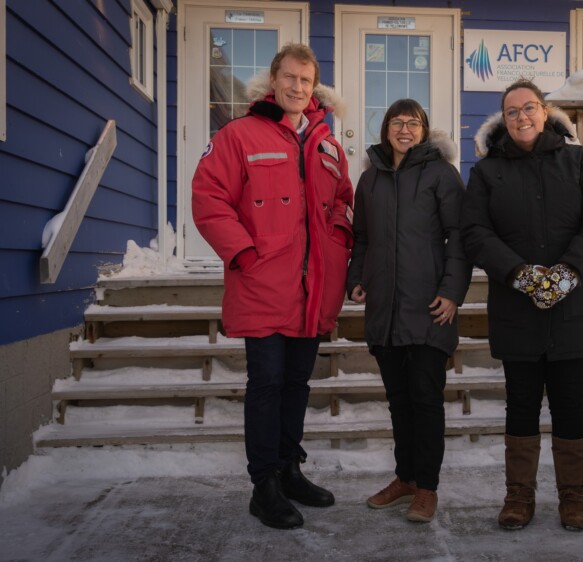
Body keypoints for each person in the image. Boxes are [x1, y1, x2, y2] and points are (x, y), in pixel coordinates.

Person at [191, 43, 354, 530]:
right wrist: (242, 253)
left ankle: (288, 471)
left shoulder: (328, 144)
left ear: (314, 86)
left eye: (305, 80)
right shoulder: (239, 135)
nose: (297, 87)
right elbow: (208, 197)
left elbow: (342, 202)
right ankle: (263, 486)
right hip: (263, 285)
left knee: (298, 385)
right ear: (273, 79)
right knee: (266, 385)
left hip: (312, 290)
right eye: (289, 77)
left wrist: (339, 242)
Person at [460, 79, 583, 532]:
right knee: (521, 404)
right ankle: (519, 497)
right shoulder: (487, 173)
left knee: (570, 404)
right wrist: (520, 275)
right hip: (518, 308)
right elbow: (475, 233)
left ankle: (573, 496)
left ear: (545, 112)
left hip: (572, 307)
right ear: (503, 120)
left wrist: (567, 272)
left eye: (529, 108)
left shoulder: (580, 161)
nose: (521, 117)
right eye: (512, 112)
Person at [346, 99, 472, 523]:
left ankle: (428, 488)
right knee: (399, 401)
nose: (404, 129)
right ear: (385, 129)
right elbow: (361, 238)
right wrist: (356, 278)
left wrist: (452, 292)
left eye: (413, 123)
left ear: (423, 130)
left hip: (429, 307)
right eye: (397, 122)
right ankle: (405, 479)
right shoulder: (370, 180)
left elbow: (460, 238)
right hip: (386, 308)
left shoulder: (442, 174)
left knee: (425, 400)